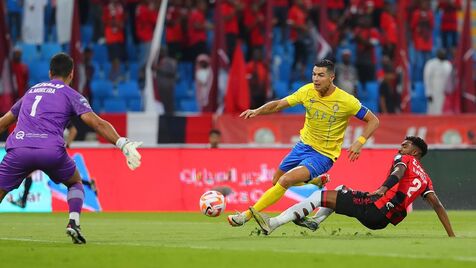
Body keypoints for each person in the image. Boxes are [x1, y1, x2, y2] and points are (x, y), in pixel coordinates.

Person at [0, 53, 142, 244]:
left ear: (50, 72)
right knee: (75, 182)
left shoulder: (31, 91)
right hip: (50, 151)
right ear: (72, 74)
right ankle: (73, 222)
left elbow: (3, 123)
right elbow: (96, 123)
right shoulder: (70, 94)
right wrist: (122, 143)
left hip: (19, 149)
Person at [228, 59, 380, 227]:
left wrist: (359, 142)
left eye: (321, 75)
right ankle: (315, 183)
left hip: (324, 154)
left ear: (332, 78)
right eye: (314, 74)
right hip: (302, 146)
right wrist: (257, 111)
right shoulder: (307, 91)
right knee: (276, 181)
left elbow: (373, 120)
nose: (316, 79)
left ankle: (246, 216)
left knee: (285, 180)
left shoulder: (346, 101)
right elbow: (279, 104)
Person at [250, 136, 455, 237]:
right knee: (340, 190)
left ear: (416, 152)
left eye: (406, 144)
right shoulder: (426, 178)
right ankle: (315, 222)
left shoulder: (405, 159)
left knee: (320, 196)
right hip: (383, 221)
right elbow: (437, 206)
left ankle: (273, 223)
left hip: (375, 207)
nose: (402, 146)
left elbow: (397, 173)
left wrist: (383, 189)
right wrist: (451, 235)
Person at [9, 123, 98, 209]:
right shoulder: (50, 116)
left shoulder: (58, 115)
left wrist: (66, 146)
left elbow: (73, 130)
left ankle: (23, 201)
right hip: (49, 151)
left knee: (62, 177)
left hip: (51, 151)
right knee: (62, 176)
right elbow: (73, 130)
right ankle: (88, 183)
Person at [423, 49, 453, 115]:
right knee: (432, 109)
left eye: (443, 53)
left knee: (441, 109)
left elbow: (450, 79)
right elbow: (427, 78)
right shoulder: (431, 64)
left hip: (444, 90)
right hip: (433, 89)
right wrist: (428, 92)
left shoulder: (448, 65)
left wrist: (449, 90)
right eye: (441, 53)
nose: (442, 55)